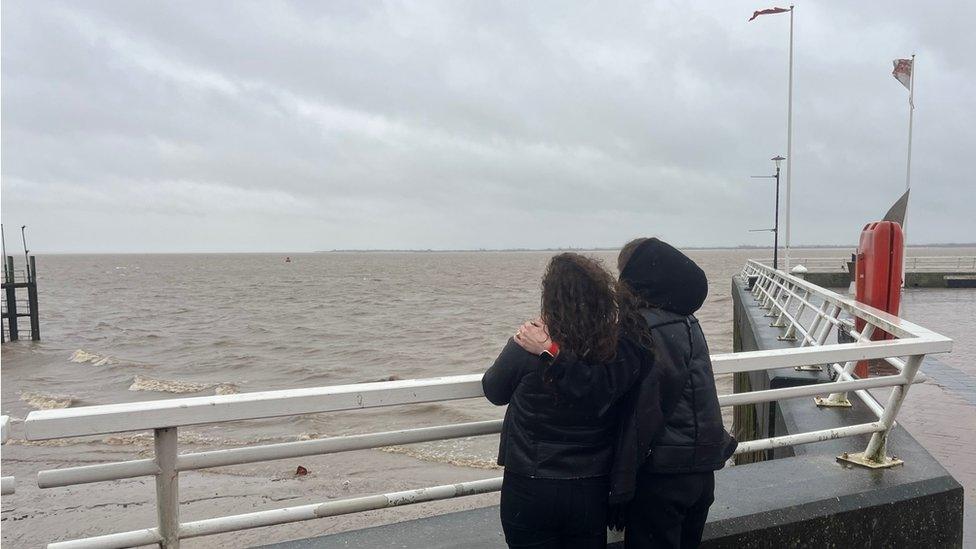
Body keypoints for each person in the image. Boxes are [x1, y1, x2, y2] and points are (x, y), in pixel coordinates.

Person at [482, 252, 651, 549]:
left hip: (531, 482)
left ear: (550, 297)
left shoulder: (527, 345)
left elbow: (494, 391)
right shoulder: (613, 348)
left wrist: (543, 347)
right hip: (591, 485)